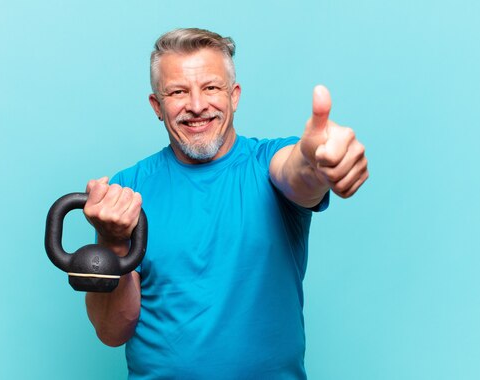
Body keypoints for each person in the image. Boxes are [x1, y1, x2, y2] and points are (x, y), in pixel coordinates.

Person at [83, 28, 368, 379]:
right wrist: (113, 242)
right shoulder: (127, 190)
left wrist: (320, 162)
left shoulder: (268, 164)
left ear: (234, 96)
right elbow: (112, 331)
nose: (197, 105)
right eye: (177, 92)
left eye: (211, 88)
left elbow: (299, 174)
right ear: (157, 106)